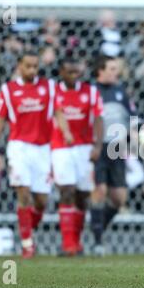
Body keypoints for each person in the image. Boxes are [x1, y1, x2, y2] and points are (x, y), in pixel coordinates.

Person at [0, 51, 55, 259]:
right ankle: (27, 245)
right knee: (23, 193)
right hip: (19, 148)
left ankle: (26, 229)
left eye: (35, 66)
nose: (32, 70)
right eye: (28, 66)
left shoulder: (49, 87)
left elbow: (59, 111)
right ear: (19, 66)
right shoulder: (8, 90)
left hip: (43, 150)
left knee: (41, 201)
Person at [51, 58, 104, 256]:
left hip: (84, 148)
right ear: (61, 73)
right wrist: (64, 133)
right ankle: (68, 244)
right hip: (61, 148)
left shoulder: (90, 92)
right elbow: (56, 114)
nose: (74, 76)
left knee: (82, 195)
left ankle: (77, 241)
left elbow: (99, 118)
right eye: (69, 72)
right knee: (66, 190)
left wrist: (97, 145)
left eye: (76, 72)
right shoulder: (53, 92)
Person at [91, 55, 135, 256]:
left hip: (117, 148)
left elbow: (133, 117)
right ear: (100, 70)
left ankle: (98, 226)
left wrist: (137, 134)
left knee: (119, 198)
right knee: (99, 191)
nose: (115, 72)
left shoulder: (120, 91)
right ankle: (97, 240)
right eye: (111, 68)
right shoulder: (92, 91)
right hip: (97, 148)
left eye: (116, 68)